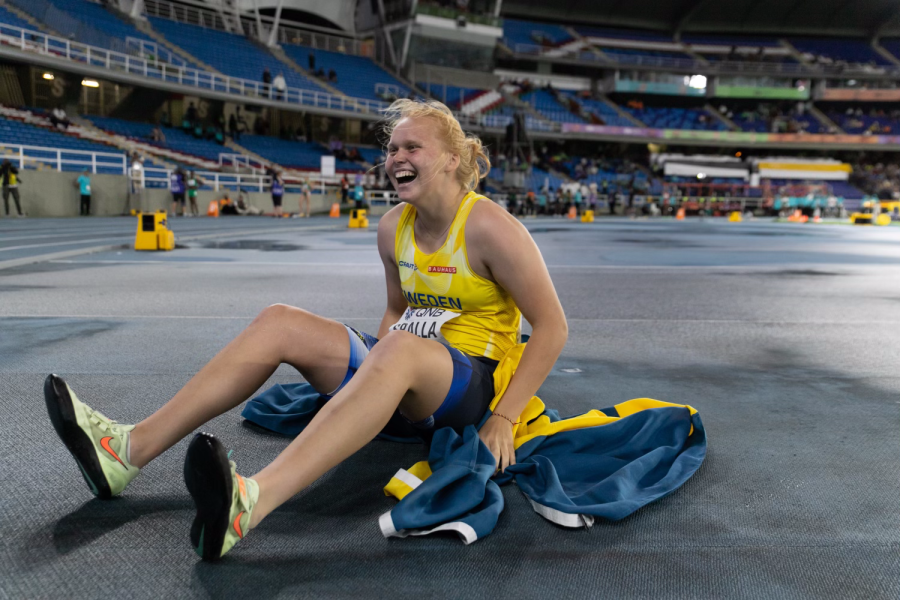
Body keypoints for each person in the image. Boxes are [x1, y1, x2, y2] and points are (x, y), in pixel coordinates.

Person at [41, 99, 568, 561]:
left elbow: (552, 327)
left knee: (403, 347)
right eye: (392, 149)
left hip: (471, 387)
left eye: (414, 147)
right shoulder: (391, 228)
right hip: (407, 369)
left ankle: (251, 503)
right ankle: (126, 451)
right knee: (280, 320)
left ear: (453, 159)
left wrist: (503, 417)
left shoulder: (489, 228)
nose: (397, 159)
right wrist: (377, 371)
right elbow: (394, 311)